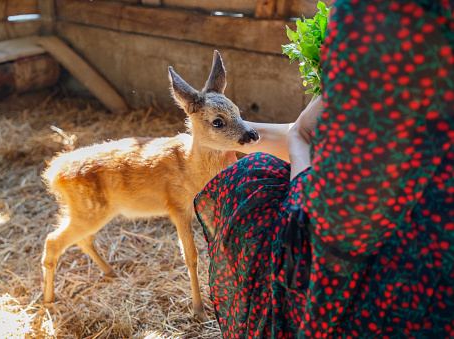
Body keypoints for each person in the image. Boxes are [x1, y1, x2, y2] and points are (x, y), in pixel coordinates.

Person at [194, 0, 454, 338]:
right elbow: (312, 136)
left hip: (385, 289)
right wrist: (230, 134)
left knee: (251, 180)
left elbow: (328, 220)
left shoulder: (380, 22)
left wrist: (299, 142)